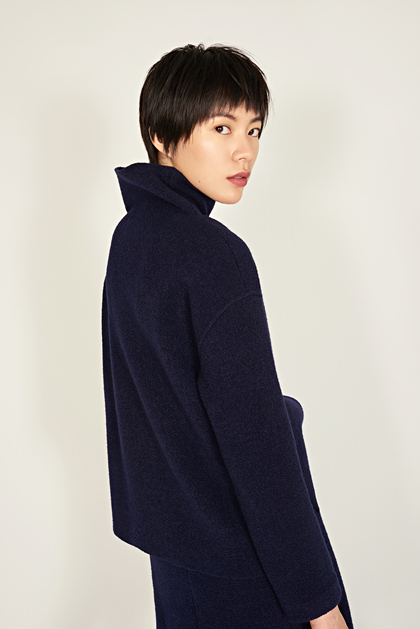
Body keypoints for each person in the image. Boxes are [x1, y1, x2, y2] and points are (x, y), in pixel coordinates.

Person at [102, 43, 353, 629]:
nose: (245, 150)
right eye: (222, 127)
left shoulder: (131, 237)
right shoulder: (215, 255)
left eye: (254, 129)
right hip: (247, 562)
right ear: (162, 136)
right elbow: (256, 442)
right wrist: (319, 605)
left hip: (179, 557)